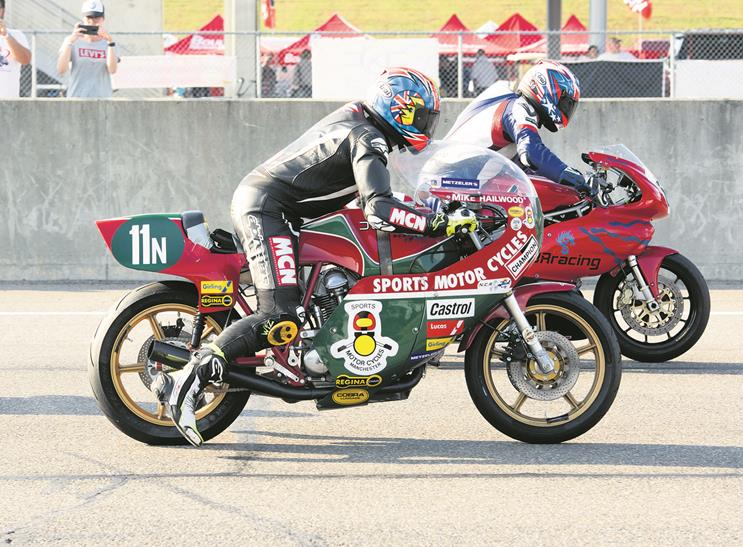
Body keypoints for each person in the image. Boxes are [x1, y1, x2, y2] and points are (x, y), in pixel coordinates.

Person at [151, 67, 476, 446]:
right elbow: (380, 208)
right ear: (398, 110)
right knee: (279, 315)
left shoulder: (365, 127)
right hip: (268, 209)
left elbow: (374, 195)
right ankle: (189, 381)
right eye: (422, 116)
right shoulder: (368, 137)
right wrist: (438, 222)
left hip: (279, 209)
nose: (426, 125)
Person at [444, 61, 588, 193]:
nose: (566, 109)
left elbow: (524, 167)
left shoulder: (503, 96)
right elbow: (531, 154)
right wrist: (575, 178)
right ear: (547, 89)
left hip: (449, 179)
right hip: (453, 187)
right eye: (566, 103)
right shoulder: (519, 107)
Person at [56, 0, 119, 98]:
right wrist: (70, 42)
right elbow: (61, 70)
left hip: (102, 98)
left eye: (96, 17)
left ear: (103, 19)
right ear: (83, 19)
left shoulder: (109, 43)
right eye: (89, 17)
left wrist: (110, 43)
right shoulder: (72, 40)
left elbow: (112, 70)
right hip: (77, 97)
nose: (92, 21)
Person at [0, 0, 32, 98]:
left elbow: (25, 60)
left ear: (2, 11)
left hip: (9, 103)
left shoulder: (17, 35)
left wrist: (6, 36)